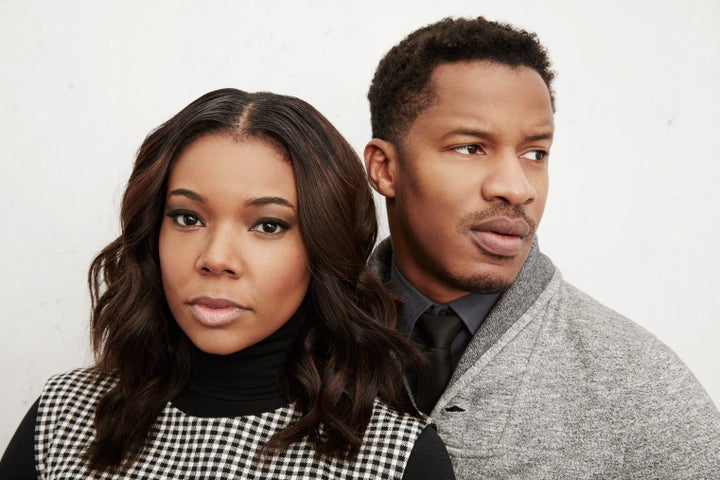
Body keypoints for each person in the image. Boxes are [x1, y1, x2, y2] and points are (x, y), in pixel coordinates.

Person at [0, 88, 454, 479]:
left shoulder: (397, 458)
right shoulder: (63, 418)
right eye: (188, 217)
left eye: (268, 226)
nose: (216, 258)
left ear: (325, 245)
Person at [363, 16, 720, 479]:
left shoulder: (641, 385)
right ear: (385, 169)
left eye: (535, 153)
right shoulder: (298, 339)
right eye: (471, 148)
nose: (517, 188)